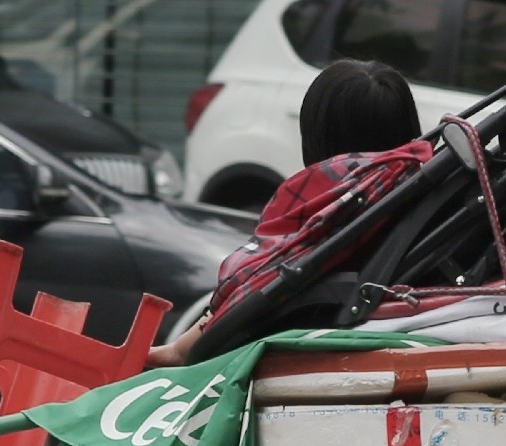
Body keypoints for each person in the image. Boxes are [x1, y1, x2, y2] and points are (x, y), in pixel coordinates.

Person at [144, 58, 425, 366]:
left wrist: (171, 352)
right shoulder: (419, 193)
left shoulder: (327, 203)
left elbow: (250, 292)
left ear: (315, 133)